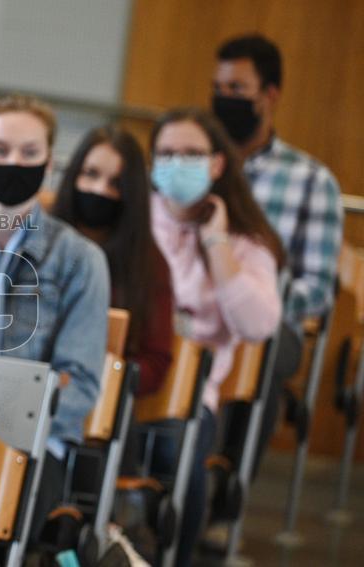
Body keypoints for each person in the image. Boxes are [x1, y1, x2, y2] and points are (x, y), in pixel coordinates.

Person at [0, 94, 110, 545]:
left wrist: (4, 415)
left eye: (29, 153)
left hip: (32, 447)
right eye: (0, 150)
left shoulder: (80, 259)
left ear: (49, 163)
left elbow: (79, 385)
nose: (13, 164)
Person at [148, 108, 283, 567]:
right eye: (167, 154)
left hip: (189, 393)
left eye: (191, 154)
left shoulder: (244, 240)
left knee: (179, 452)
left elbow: (258, 325)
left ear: (217, 163)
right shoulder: (135, 218)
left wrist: (216, 243)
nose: (177, 164)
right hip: (124, 375)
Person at [212, 33, 344, 480]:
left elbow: (317, 290)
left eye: (237, 89)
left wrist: (253, 302)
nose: (224, 98)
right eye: (218, 88)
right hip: (194, 306)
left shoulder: (312, 181)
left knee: (261, 350)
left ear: (270, 95)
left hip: (270, 324)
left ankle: (227, 492)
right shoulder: (195, 164)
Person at [52, 125, 173, 397]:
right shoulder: (40, 240)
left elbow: (155, 364)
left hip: (101, 400)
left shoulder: (148, 263)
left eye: (116, 184)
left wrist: (103, 369)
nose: (100, 190)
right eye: (91, 174)